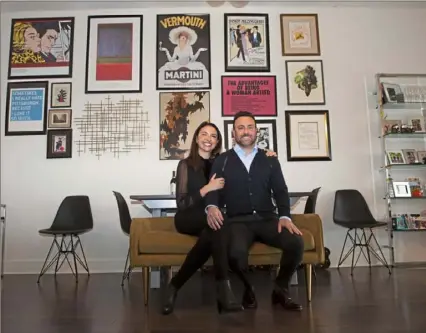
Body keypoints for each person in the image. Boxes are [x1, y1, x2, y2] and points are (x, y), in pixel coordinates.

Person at [162, 121, 277, 315]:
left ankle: (174, 286)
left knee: (215, 232)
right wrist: (208, 188)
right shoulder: (185, 164)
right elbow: (182, 203)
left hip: (211, 218)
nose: (208, 138)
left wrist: (266, 155)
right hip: (188, 217)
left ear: (217, 141)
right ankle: (226, 289)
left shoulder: (222, 162)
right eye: (204, 134)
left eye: (213, 136)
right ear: (197, 138)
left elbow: (246, 167)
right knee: (219, 226)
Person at [205, 111, 305, 312]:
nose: (246, 131)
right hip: (238, 221)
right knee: (235, 254)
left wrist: (285, 215)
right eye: (240, 127)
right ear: (233, 133)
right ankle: (247, 289)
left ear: (256, 131)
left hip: (267, 219)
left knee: (295, 242)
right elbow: (212, 189)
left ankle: (280, 289)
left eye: (250, 127)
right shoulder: (222, 160)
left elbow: (280, 190)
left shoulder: (269, 158)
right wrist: (212, 206)